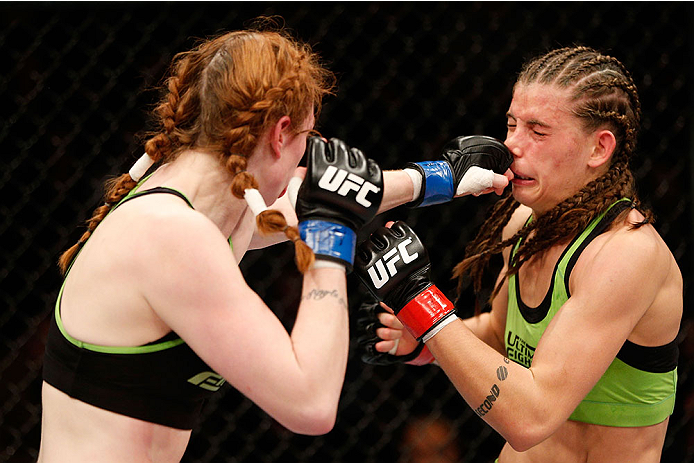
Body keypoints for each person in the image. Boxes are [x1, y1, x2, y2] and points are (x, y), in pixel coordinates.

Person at [38, 21, 514, 461]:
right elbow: (310, 404)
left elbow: (306, 192)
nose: (306, 154)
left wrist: (437, 178)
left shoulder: (198, 195)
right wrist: (332, 241)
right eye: (308, 136)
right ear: (280, 133)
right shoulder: (171, 235)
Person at [355, 46, 682, 463]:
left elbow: (530, 418)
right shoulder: (523, 222)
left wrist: (420, 302)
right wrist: (421, 343)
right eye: (511, 125)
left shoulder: (626, 255)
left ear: (599, 149)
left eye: (537, 131)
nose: (511, 145)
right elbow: (499, 335)